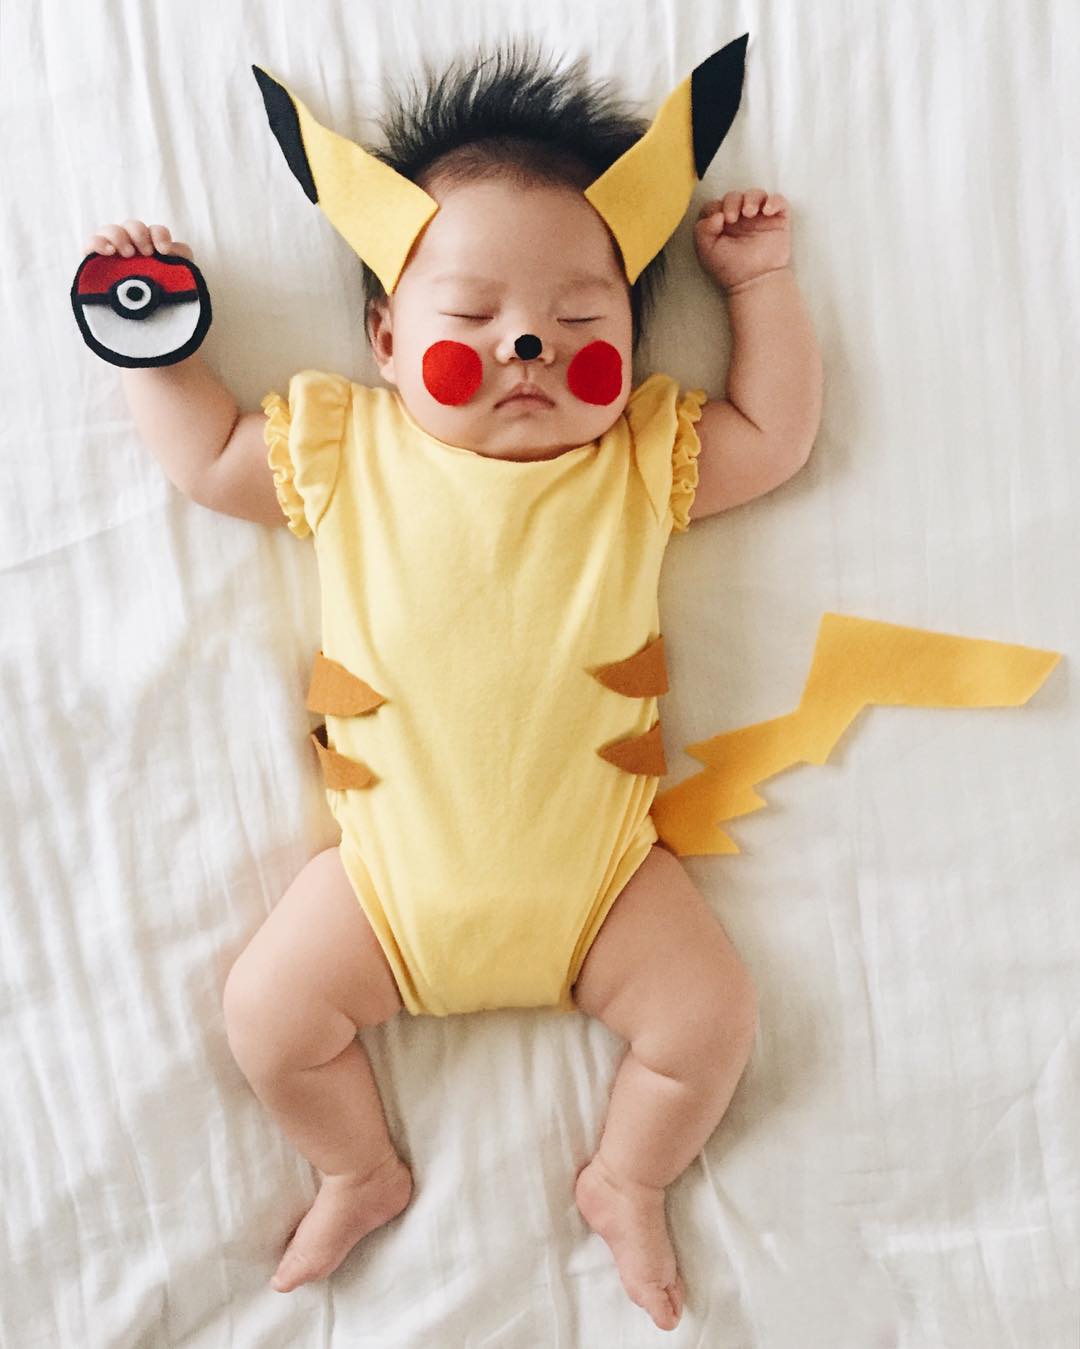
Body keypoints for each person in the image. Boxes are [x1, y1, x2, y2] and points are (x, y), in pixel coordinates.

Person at [82, 42, 821, 1333]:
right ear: (385, 337)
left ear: (634, 340)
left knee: (710, 1021)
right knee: (268, 1017)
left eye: (581, 321)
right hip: (385, 889)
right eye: (470, 316)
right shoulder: (347, 450)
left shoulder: (636, 457)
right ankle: (355, 1166)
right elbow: (206, 459)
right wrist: (154, 343)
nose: (527, 342)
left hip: (607, 885)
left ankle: (627, 1176)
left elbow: (775, 437)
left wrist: (758, 288)